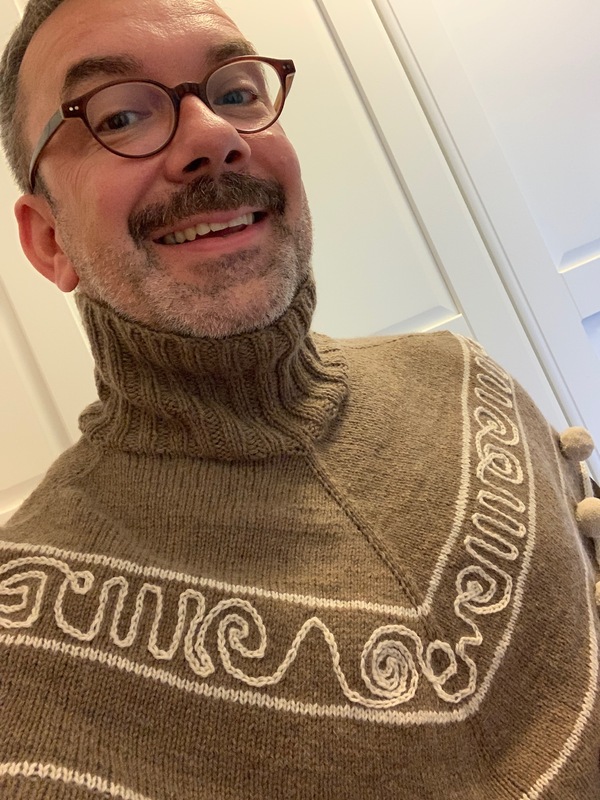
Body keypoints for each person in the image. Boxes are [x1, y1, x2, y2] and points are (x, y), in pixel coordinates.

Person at [0, 0, 599, 797]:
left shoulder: (468, 378)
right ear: (48, 240)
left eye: (236, 92)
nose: (213, 134)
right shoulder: (21, 650)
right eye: (120, 116)